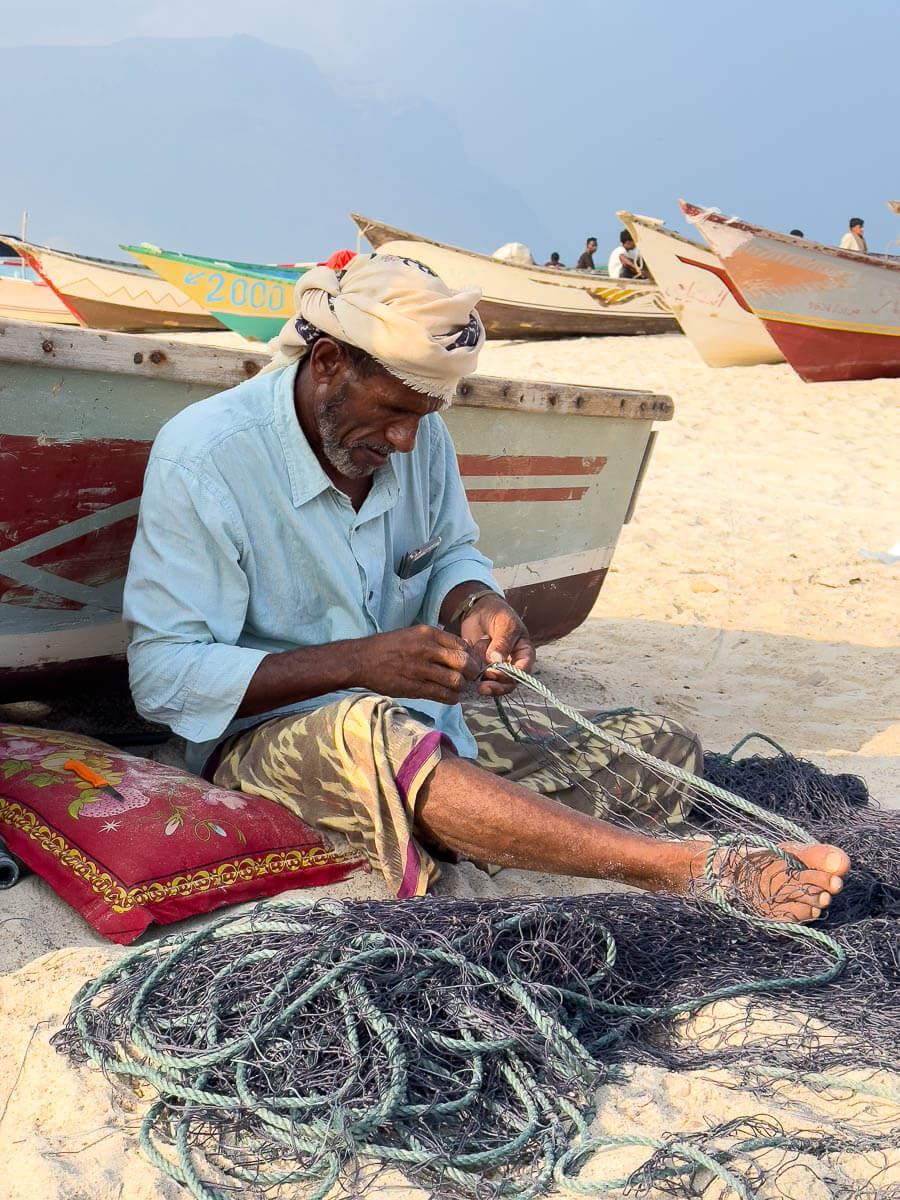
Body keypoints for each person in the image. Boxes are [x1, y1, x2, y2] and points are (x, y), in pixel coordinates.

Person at [124, 253, 849, 921]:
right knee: (377, 735)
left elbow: (449, 554)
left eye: (423, 417)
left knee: (660, 749)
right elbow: (162, 678)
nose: (407, 441)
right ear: (327, 362)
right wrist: (355, 665)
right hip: (265, 736)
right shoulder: (207, 457)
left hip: (412, 716)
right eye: (394, 412)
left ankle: (480, 818)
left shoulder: (418, 433)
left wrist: (476, 603)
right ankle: (680, 869)